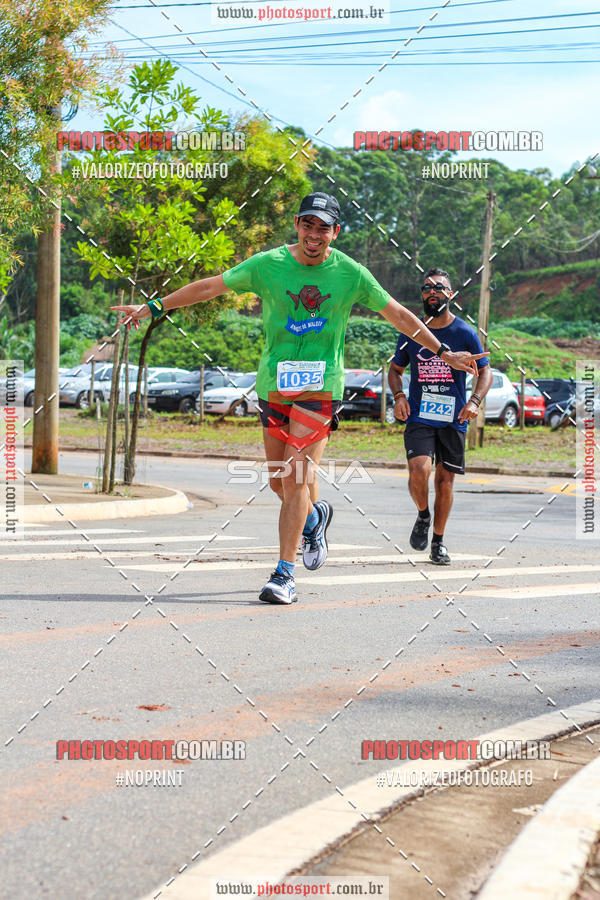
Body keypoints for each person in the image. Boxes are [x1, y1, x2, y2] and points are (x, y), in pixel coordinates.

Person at [112, 194, 485, 604]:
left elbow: (400, 315)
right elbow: (211, 286)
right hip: (274, 386)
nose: (314, 234)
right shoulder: (268, 264)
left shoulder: (351, 273)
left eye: (323, 227)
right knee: (278, 481)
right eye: (308, 224)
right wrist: (154, 306)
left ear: (335, 232)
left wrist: (442, 352)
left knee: (297, 478)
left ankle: (283, 576)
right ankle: (314, 519)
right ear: (297, 225)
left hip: (320, 388)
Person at [388, 268, 492, 565]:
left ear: (451, 295)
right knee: (418, 471)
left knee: (445, 481)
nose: (431, 292)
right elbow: (395, 371)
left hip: (454, 417)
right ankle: (423, 515)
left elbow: (485, 372)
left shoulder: (464, 333)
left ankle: (438, 541)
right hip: (420, 415)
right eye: (426, 288)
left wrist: (474, 401)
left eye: (438, 287)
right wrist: (399, 397)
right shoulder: (412, 333)